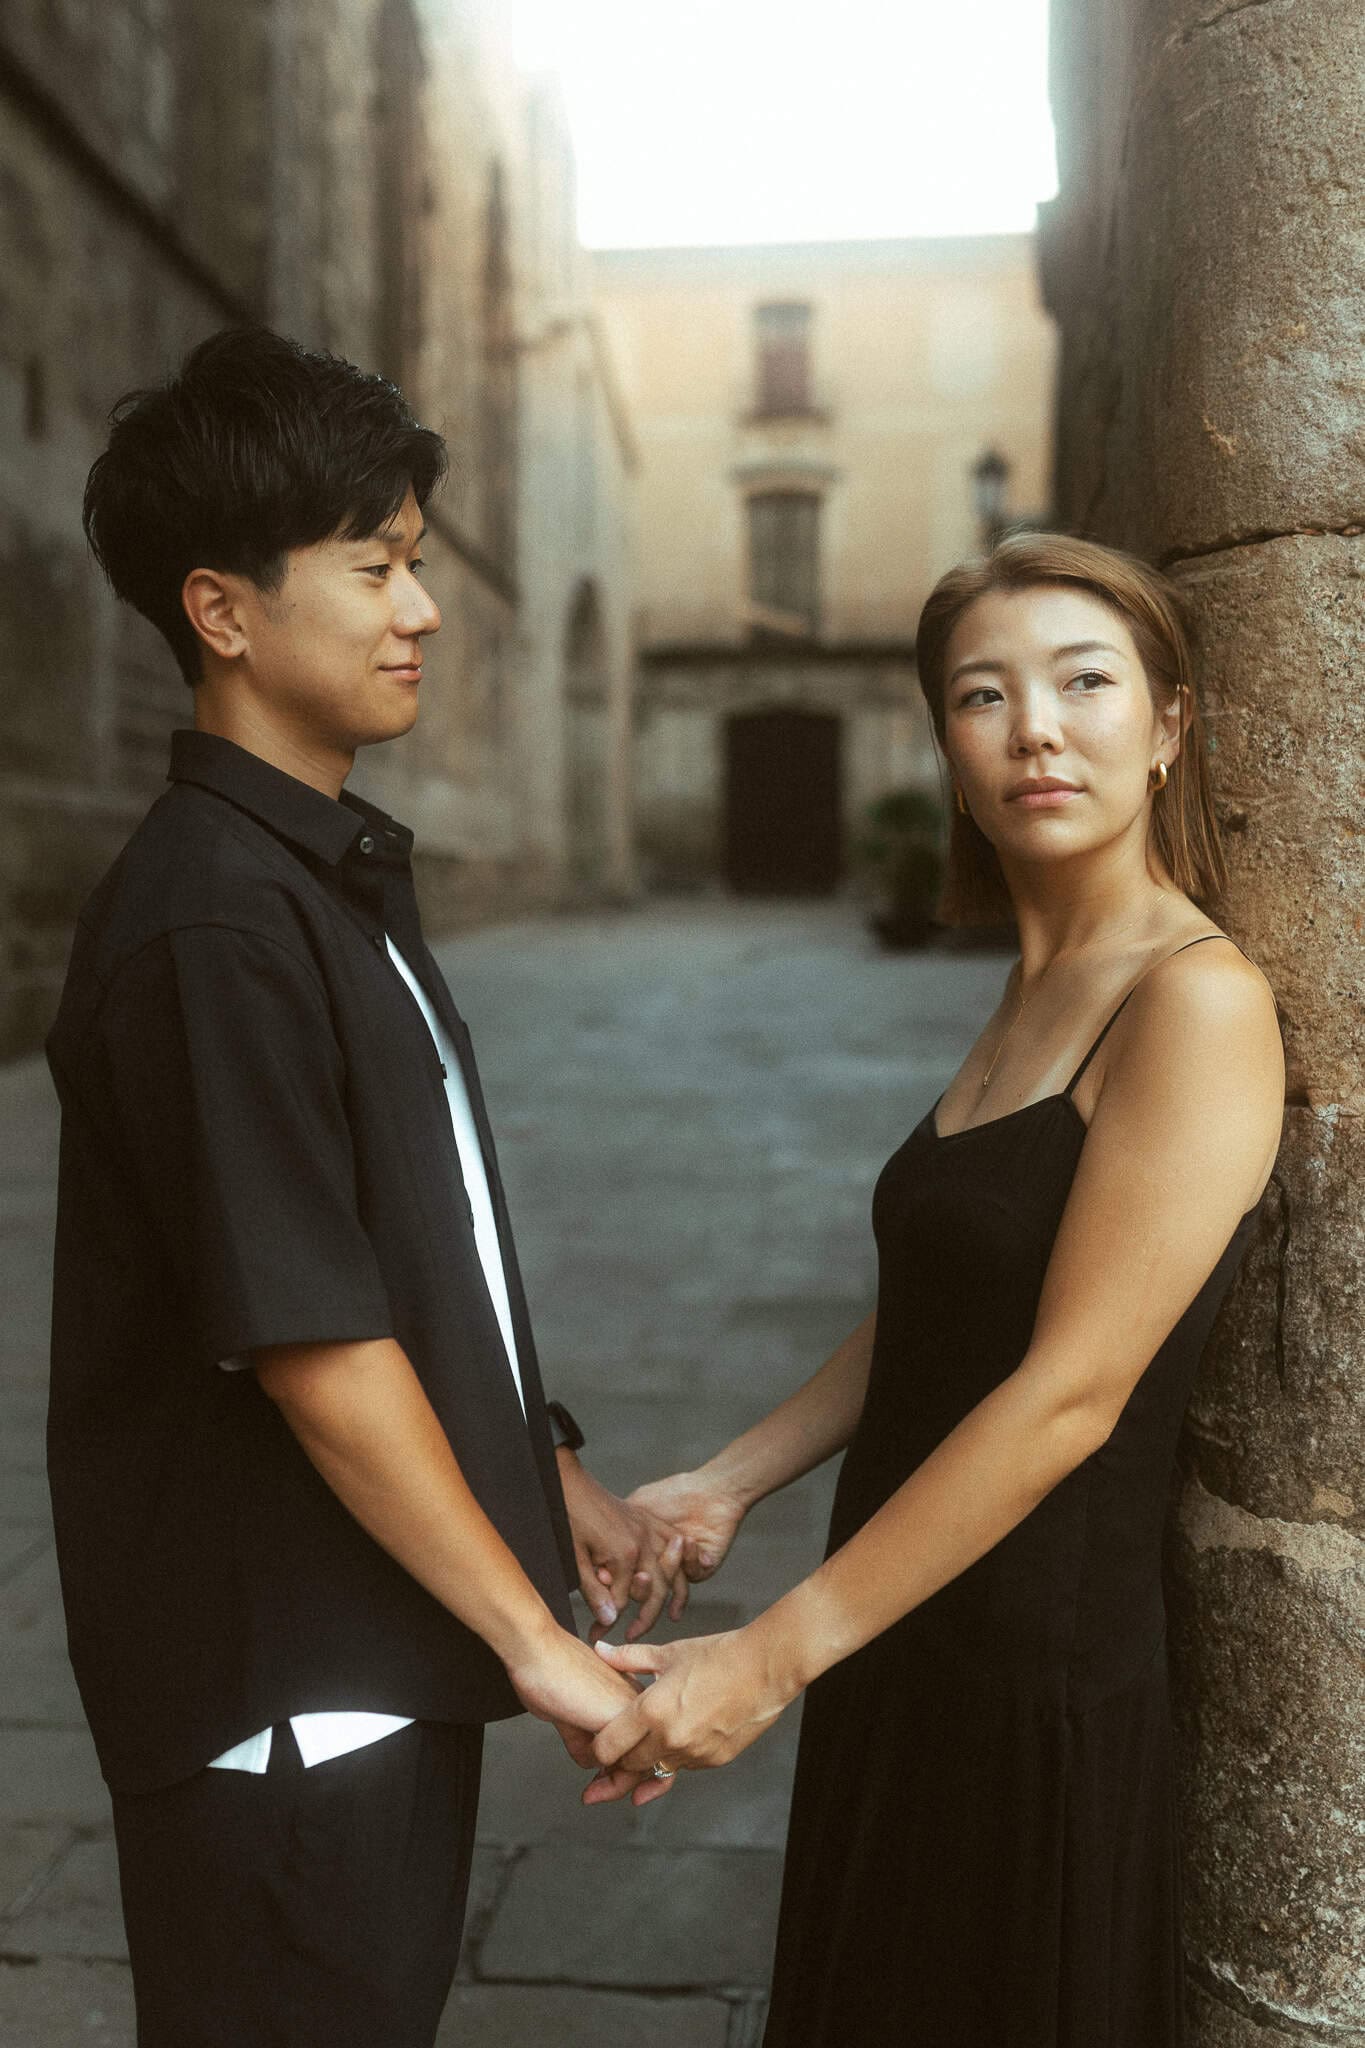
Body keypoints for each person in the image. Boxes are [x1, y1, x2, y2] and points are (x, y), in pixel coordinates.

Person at [46, 326, 680, 2048]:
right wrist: (538, 1648)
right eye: (374, 568)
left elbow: (409, 1242)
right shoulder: (212, 920)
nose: (423, 610)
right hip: (289, 1694)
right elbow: (312, 1340)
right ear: (222, 611)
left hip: (375, 1653)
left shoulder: (316, 873)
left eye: (416, 563)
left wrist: (540, 1465)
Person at [591, 534, 1285, 2047]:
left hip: (1027, 1671)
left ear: (1168, 725)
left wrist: (764, 1657)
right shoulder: (1046, 980)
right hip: (901, 1625)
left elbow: (1067, 1392)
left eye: (1083, 682)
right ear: (948, 749)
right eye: (983, 695)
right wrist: (727, 1480)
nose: (1034, 726)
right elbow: (952, 1307)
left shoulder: (1194, 1000)